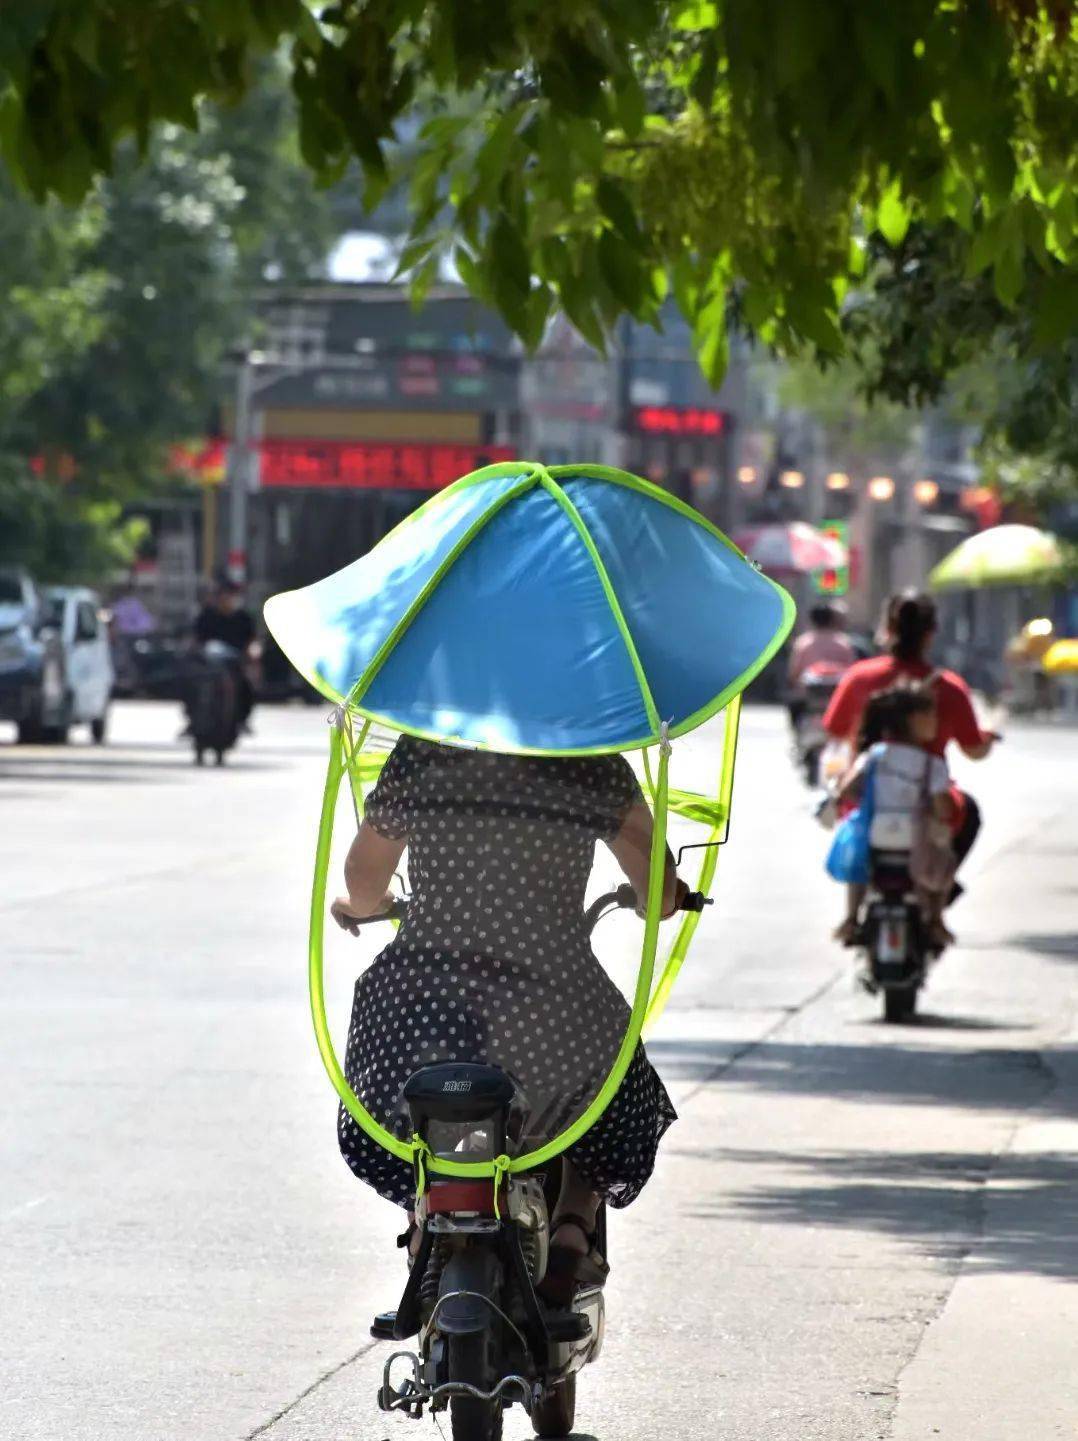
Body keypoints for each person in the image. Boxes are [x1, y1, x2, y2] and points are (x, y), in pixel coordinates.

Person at [329, 735, 687, 1297]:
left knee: (397, 1100)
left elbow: (365, 880)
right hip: (548, 1000)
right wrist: (657, 900)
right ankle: (574, 1225)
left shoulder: (425, 751)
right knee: (614, 1089)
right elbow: (660, 891)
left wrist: (358, 906)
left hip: (424, 1002)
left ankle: (422, 1220)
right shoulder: (589, 758)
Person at [823, 590, 999, 886]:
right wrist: (988, 740)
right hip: (928, 803)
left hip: (867, 799)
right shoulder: (949, 687)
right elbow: (973, 749)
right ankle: (937, 892)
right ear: (931, 633)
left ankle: (855, 906)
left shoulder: (859, 678)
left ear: (887, 628)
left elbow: (834, 731)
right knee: (968, 814)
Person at [833, 687, 956, 949]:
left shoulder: (873, 755)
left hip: (876, 835)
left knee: (860, 866)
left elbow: (847, 790)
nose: (935, 722)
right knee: (944, 859)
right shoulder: (932, 764)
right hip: (916, 840)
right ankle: (936, 920)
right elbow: (943, 809)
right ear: (913, 719)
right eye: (930, 716)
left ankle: (851, 918)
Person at [191, 579, 259, 730]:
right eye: (223, 595)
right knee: (191, 684)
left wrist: (253, 654)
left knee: (247, 687)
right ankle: (193, 719)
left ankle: (242, 719)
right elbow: (196, 641)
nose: (227, 599)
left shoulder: (243, 618)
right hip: (208, 665)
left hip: (235, 663)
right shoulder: (207, 616)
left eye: (231, 595)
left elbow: (252, 642)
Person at [787, 603, 856, 727]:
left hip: (808, 696)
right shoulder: (843, 642)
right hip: (837, 695)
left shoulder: (803, 642)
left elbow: (794, 672)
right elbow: (852, 670)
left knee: (794, 707)